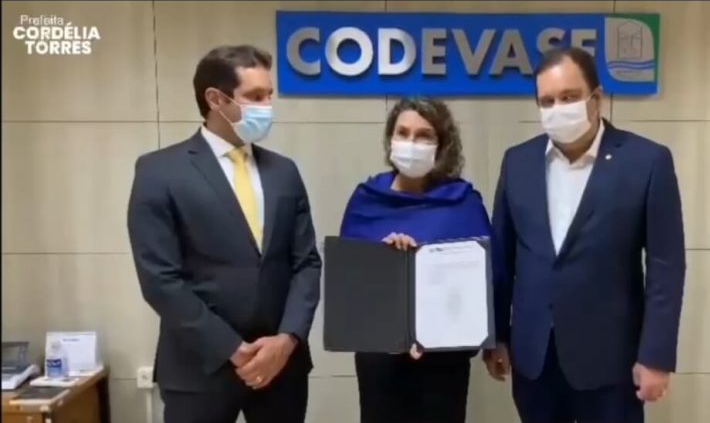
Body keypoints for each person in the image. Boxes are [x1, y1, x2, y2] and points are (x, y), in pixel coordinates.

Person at [485, 46, 686, 423]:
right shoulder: (518, 162)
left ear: (597, 98)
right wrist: (496, 336)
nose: (558, 108)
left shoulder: (647, 161)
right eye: (547, 101)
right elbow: (502, 259)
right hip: (535, 360)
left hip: (611, 363)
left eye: (569, 97)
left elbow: (666, 267)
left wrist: (656, 356)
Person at [126, 44, 322, 423]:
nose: (267, 106)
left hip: (281, 367)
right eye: (255, 96)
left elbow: (307, 263)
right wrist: (232, 348)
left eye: (269, 95)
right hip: (198, 367)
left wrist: (287, 340)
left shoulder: (284, 172)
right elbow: (160, 279)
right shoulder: (159, 172)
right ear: (215, 99)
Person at [339, 97, 497, 423]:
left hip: (444, 363)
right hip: (380, 359)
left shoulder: (463, 202)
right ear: (390, 139)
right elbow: (349, 284)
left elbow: (483, 282)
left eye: (424, 135)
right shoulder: (365, 200)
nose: (411, 142)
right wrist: (384, 259)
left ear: (442, 146)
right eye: (403, 133)